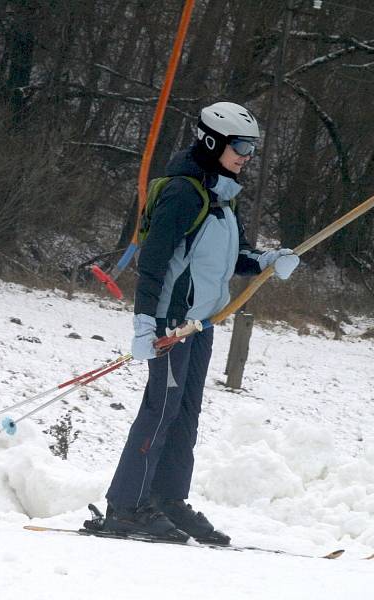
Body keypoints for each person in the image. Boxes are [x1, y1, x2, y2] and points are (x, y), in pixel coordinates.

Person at [100, 101, 300, 544]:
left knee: (186, 414)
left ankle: (166, 500)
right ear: (212, 141)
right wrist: (144, 323)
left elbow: (238, 257)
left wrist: (269, 260)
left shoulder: (221, 198)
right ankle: (126, 506)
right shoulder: (184, 192)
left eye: (252, 148)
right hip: (171, 323)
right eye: (241, 146)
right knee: (161, 410)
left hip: (201, 325)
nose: (247, 155)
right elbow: (152, 262)